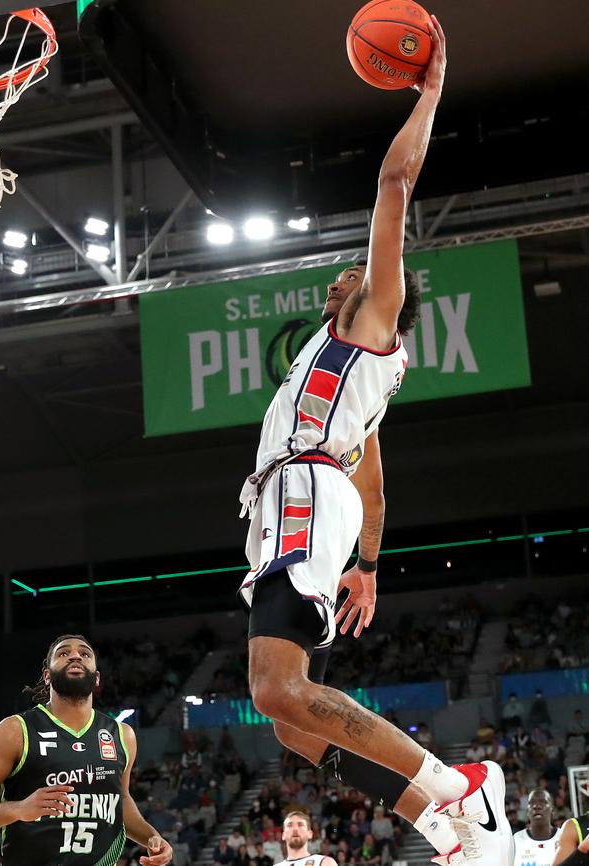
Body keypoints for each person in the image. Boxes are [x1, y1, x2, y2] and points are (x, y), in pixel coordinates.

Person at [236, 16, 509, 866]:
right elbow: (377, 487)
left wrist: (429, 91)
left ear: (383, 300)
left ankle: (461, 785)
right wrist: (369, 564)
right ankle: (440, 819)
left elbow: (394, 184)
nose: (348, 273)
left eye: (363, 274)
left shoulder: (371, 326)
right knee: (285, 721)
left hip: (304, 494)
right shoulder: (359, 380)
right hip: (312, 501)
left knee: (275, 689)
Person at [0, 633, 173, 866]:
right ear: (47, 676)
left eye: (84, 654)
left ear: (96, 678)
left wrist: (151, 837)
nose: (75, 656)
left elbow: (121, 801)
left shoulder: (122, 735)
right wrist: (19, 809)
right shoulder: (16, 730)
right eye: (64, 653)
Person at [513, 790, 562, 866]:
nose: (536, 806)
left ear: (552, 810)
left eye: (543, 801)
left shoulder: (564, 837)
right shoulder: (516, 840)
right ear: (527, 812)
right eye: (531, 802)